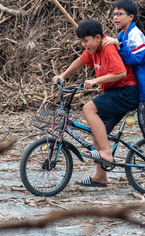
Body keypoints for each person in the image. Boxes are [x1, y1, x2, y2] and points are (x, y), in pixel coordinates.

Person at [52, 19, 139, 187]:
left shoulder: (108, 48)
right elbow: (81, 60)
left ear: (98, 37)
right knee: (98, 129)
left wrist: (95, 80)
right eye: (81, 42)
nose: (84, 45)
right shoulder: (94, 50)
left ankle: (106, 153)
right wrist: (63, 75)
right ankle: (100, 176)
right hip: (116, 92)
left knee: (88, 109)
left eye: (86, 40)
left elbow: (120, 73)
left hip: (127, 91)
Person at [103, 0, 145, 170]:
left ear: (131, 17)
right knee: (142, 119)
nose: (115, 18)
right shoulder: (122, 34)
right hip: (142, 82)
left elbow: (137, 58)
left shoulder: (134, 34)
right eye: (114, 14)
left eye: (120, 14)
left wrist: (118, 46)